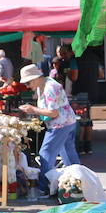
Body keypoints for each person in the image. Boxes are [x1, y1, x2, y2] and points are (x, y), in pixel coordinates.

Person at [18, 63, 79, 199]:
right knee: (69, 155)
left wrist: (33, 110)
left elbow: (53, 112)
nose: (27, 87)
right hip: (67, 121)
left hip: (60, 124)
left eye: (28, 83)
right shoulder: (44, 85)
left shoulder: (49, 87)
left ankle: (44, 188)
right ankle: (77, 184)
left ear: (34, 78)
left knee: (45, 153)